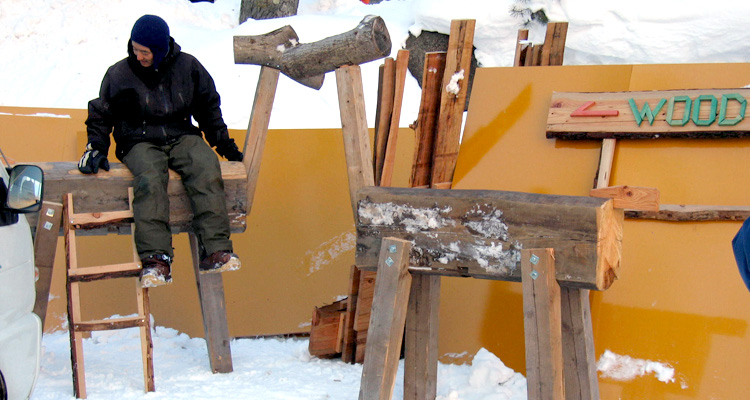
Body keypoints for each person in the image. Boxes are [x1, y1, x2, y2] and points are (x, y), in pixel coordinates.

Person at [79, 14, 243, 288]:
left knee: (205, 164)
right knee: (150, 179)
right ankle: (156, 259)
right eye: (135, 49)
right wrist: (96, 147)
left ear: (160, 49)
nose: (138, 56)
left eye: (145, 51)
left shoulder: (188, 67)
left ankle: (216, 249)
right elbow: (101, 113)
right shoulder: (120, 74)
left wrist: (224, 144)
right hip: (137, 139)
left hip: (180, 134)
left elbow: (208, 108)